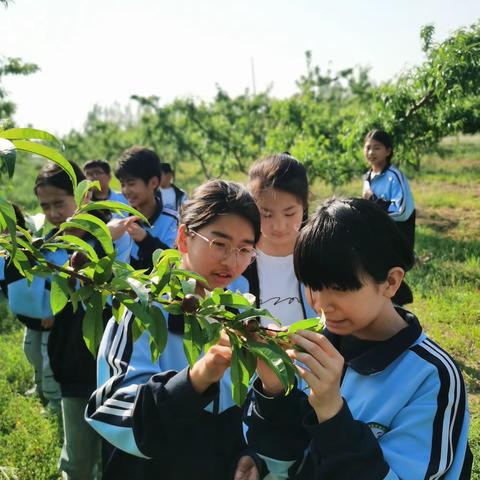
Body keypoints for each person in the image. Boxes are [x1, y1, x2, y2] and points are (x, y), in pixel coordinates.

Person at [244, 198, 472, 480]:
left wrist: (331, 413)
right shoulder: (312, 351)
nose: (322, 303)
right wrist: (274, 392)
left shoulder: (430, 377)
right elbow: (285, 460)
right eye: (313, 285)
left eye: (340, 287)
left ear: (391, 282)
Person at [85, 180, 264, 480]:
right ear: (183, 238)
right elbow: (109, 409)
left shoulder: (240, 313)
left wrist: (252, 453)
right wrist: (195, 380)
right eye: (219, 243)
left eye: (245, 249)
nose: (231, 261)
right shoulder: (143, 307)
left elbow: (249, 405)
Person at [0, 204, 62, 412]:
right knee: (32, 352)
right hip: (29, 316)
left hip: (45, 315)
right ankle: (40, 386)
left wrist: (52, 311)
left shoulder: (28, 248)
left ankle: (54, 400)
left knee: (47, 358)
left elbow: (48, 279)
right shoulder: (4, 252)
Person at [244, 152, 316, 326]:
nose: (279, 225)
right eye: (266, 214)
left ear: (304, 206)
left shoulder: (319, 256)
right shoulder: (239, 259)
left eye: (289, 213)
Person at [108, 147, 178, 270]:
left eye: (131, 183)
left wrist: (145, 239)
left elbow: (174, 264)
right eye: (122, 184)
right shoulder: (118, 219)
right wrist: (105, 237)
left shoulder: (172, 221)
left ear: (153, 183)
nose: (126, 190)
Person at [362, 129, 416, 254]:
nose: (371, 152)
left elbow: (402, 212)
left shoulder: (394, 176)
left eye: (377, 148)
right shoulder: (367, 177)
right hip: (376, 241)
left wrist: (373, 200)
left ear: (388, 151)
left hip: (396, 242)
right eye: (367, 147)